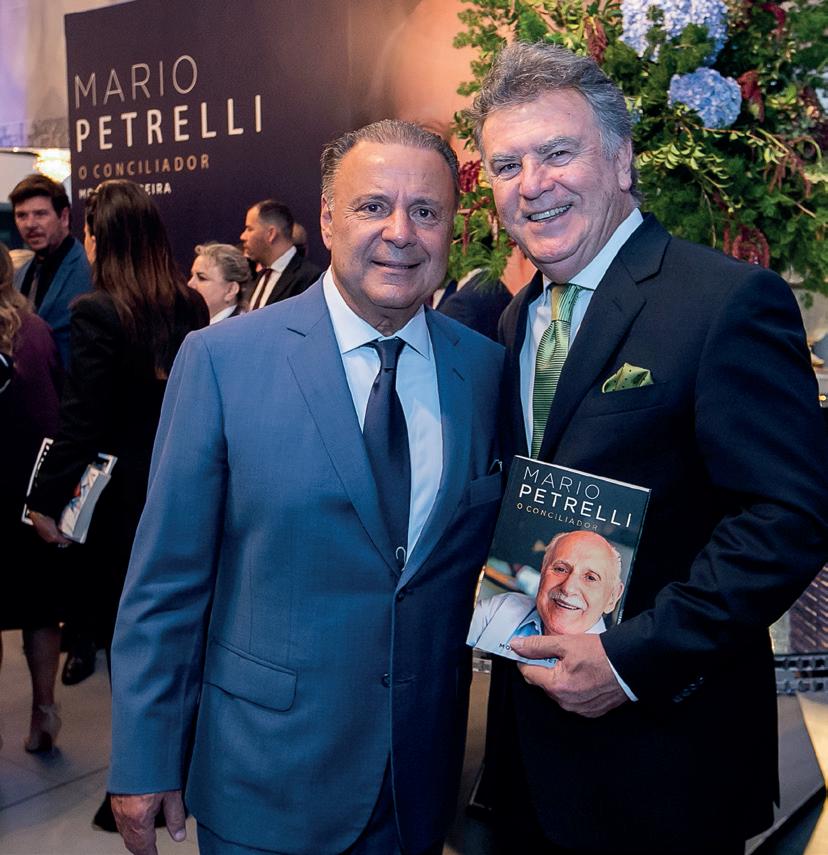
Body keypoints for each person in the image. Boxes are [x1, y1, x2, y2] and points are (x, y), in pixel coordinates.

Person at [108, 118, 504, 855]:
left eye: (426, 210)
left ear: (452, 228)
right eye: (372, 205)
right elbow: (165, 581)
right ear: (325, 219)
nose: (400, 232)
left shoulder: (483, 371)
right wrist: (144, 753)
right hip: (265, 782)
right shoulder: (223, 361)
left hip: (418, 786)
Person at [471, 41, 828, 854]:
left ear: (622, 158)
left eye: (558, 153)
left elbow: (788, 517)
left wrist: (633, 659)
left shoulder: (726, 301)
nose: (532, 183)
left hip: (667, 759)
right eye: (507, 165)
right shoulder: (519, 318)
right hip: (532, 761)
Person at [25, 179, 208, 830]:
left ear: (104, 239)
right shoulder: (188, 304)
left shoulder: (97, 312)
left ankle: (134, 784)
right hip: (184, 488)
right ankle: (180, 775)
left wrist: (43, 501)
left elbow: (81, 422)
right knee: (176, 638)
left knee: (130, 645)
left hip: (120, 504)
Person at [0, 241, 64, 753]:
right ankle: (44, 712)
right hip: (31, 490)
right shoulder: (36, 330)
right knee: (40, 608)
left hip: (15, 490)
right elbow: (52, 416)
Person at [468, 531, 624, 662]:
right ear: (542, 571)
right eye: (560, 569)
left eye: (590, 578)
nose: (568, 589)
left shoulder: (615, 666)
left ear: (612, 598)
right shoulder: (501, 608)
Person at [10, 174, 92, 367]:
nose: (30, 224)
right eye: (22, 215)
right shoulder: (19, 274)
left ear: (64, 217)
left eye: (40, 214)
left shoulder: (90, 270)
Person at [240, 198, 321, 310]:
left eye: (249, 229)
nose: (243, 236)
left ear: (271, 234)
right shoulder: (257, 276)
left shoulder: (309, 279)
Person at [188, 242, 250, 323]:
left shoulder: (242, 328)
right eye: (191, 276)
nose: (190, 284)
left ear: (231, 290)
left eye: (202, 278)